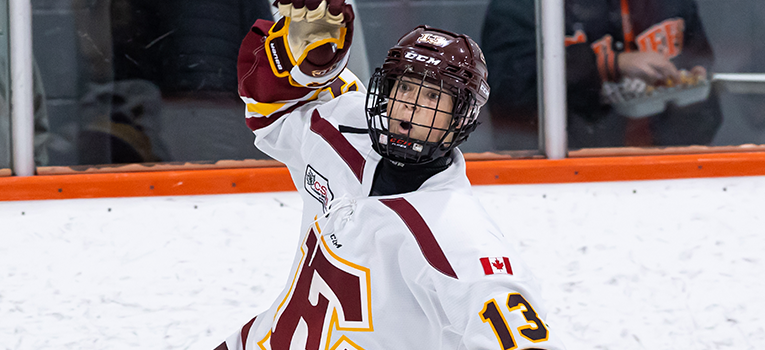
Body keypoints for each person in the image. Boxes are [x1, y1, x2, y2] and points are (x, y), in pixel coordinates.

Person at [215, 1, 565, 349]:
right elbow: (273, 112)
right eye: (406, 87)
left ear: (459, 118)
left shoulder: (461, 238)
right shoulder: (343, 127)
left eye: (432, 96)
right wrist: (307, 59)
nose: (410, 108)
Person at [481, 0, 723, 149]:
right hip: (575, 176)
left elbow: (705, 99)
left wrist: (692, 97)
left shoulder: (672, 4)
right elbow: (507, 95)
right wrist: (606, 64)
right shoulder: (526, 6)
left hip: (669, 169)